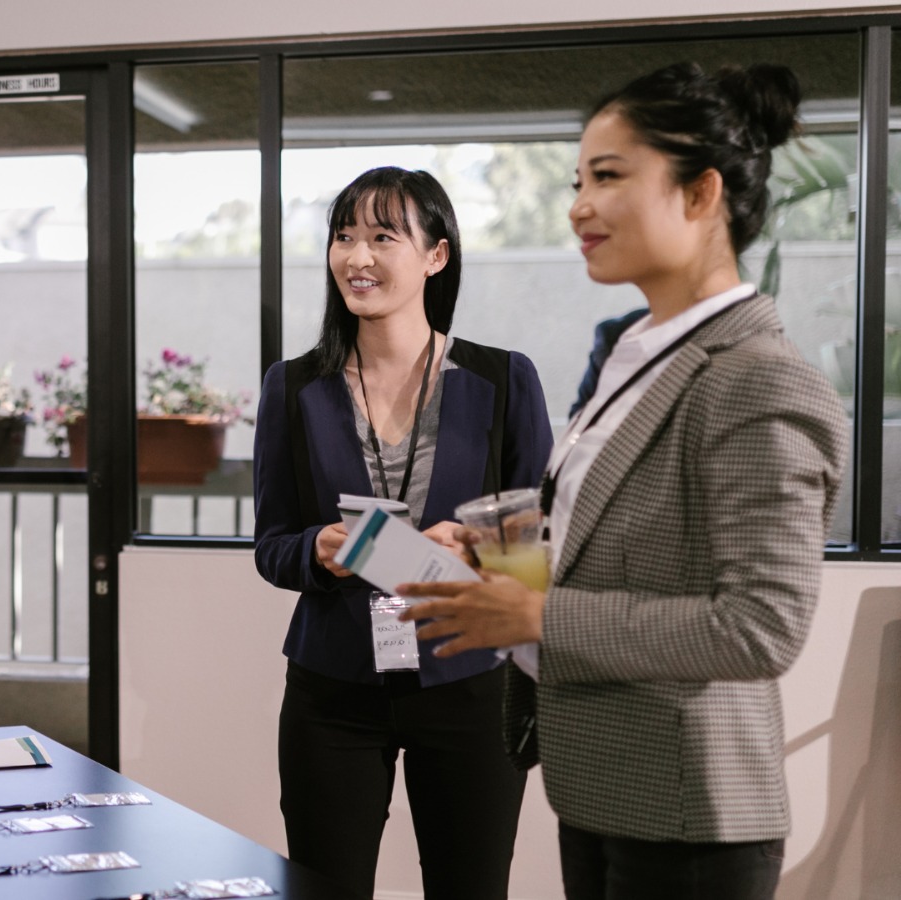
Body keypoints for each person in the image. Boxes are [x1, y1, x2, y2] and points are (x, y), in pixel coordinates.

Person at [398, 63, 847, 900]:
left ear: (701, 193)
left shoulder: (757, 377)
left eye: (609, 176)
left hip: (691, 812)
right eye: (577, 180)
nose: (577, 206)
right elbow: (615, 528)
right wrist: (500, 551)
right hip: (605, 785)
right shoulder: (636, 354)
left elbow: (762, 626)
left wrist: (535, 613)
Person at [252, 166, 552, 899]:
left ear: (436, 255)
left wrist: (479, 545)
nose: (358, 257)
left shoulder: (503, 379)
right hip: (333, 688)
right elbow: (272, 545)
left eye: (383, 237)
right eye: (344, 237)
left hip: (470, 681)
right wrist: (318, 553)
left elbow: (540, 545)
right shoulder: (293, 388)